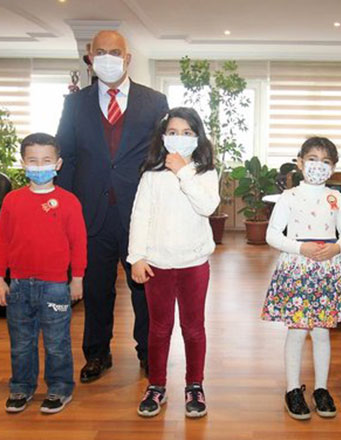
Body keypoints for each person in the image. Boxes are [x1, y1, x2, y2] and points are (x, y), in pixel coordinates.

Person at [55, 30, 170, 383]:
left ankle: (147, 352)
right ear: (90, 58)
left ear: (128, 58)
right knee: (95, 288)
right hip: (91, 214)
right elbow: (66, 156)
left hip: (139, 214)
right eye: (101, 52)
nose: (108, 58)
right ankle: (97, 354)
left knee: (144, 289)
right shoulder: (75, 104)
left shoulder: (155, 102)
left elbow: (162, 158)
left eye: (115, 52)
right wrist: (64, 209)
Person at [127, 107, 219, 418]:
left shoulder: (205, 173)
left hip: (194, 263)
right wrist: (136, 257)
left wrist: (183, 172)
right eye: (173, 132)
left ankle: (195, 384)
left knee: (193, 328)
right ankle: (157, 385)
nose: (179, 138)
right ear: (163, 137)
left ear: (198, 137)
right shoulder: (151, 176)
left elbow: (207, 206)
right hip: (157, 265)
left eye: (187, 133)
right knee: (159, 328)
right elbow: (140, 216)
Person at [0, 133, 87, 414]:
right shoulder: (12, 200)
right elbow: (2, 241)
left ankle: (60, 387)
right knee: (21, 342)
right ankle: (21, 386)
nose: (39, 165)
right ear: (23, 163)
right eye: (33, 160)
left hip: (55, 285)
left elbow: (79, 243)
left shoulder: (69, 201)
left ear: (58, 164)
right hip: (19, 285)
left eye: (46, 160)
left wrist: (77, 278)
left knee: (57, 343)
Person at [262, 137, 341, 420]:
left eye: (326, 161)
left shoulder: (337, 198)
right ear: (300, 162)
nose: (319, 166)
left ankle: (321, 389)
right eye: (312, 159)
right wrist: (300, 248)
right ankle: (292, 389)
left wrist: (337, 248)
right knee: (297, 331)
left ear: (333, 167)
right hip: (298, 268)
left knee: (321, 333)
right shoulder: (289, 197)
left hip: (327, 269)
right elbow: (272, 235)